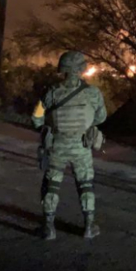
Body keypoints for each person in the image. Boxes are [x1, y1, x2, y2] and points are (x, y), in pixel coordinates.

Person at [32, 51, 107, 240]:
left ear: (62, 69)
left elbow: (36, 117)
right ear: (81, 69)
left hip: (57, 146)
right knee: (85, 185)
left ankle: (48, 228)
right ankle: (89, 226)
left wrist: (46, 127)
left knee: (52, 185)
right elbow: (101, 117)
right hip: (82, 147)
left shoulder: (52, 93)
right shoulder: (93, 93)